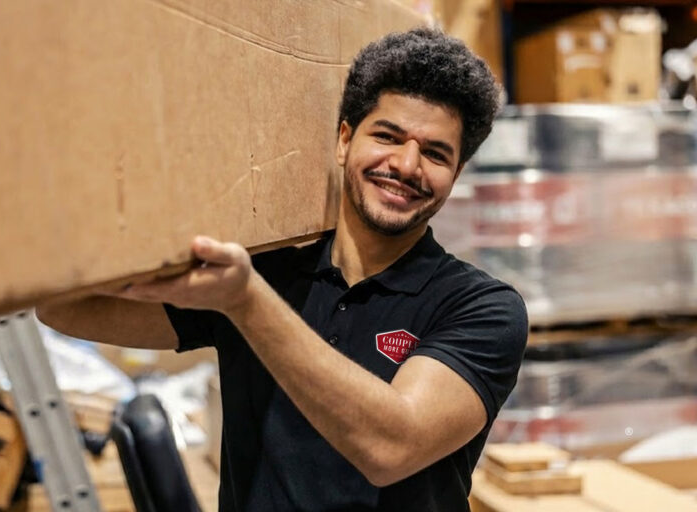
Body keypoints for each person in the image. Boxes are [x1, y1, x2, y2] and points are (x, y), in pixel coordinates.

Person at [38, 27, 528, 512]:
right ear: (344, 140)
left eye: (435, 153)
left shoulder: (482, 308)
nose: (405, 164)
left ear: (455, 175)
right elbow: (65, 310)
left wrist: (246, 303)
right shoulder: (264, 274)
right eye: (387, 136)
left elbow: (391, 447)